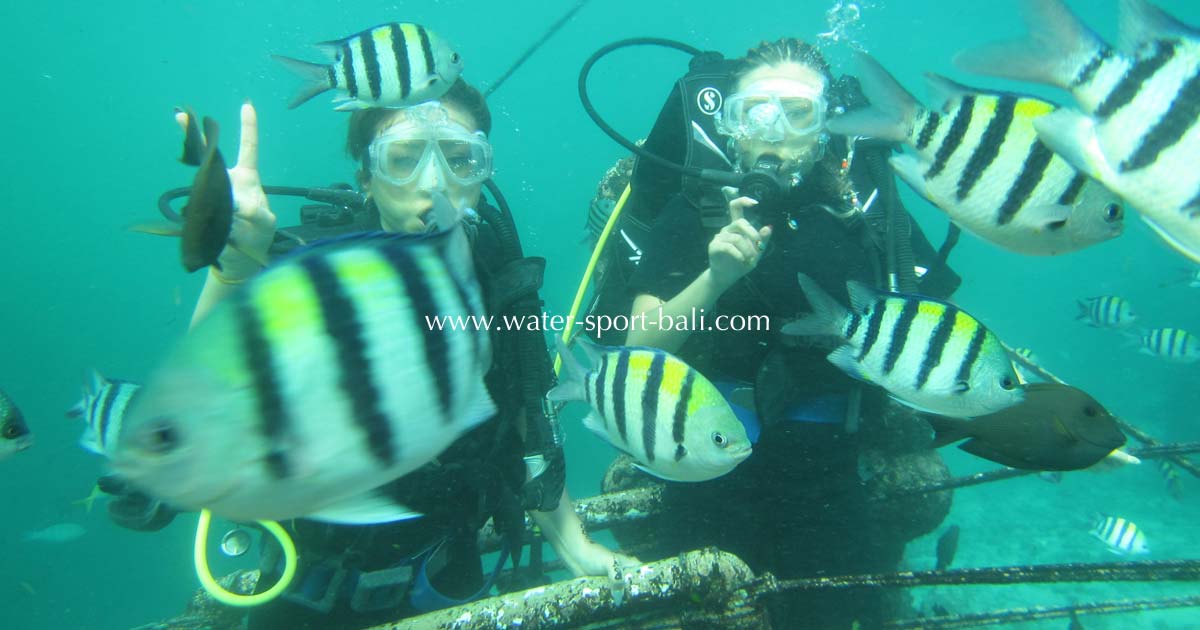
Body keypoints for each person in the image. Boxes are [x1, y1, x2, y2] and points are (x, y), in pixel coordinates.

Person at [116, 78, 636, 629]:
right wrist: (235, 267)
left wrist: (577, 549)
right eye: (403, 159)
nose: (433, 184)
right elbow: (184, 426)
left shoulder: (502, 286)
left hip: (450, 579)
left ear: (483, 175)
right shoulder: (308, 277)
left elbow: (529, 435)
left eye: (461, 159)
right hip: (309, 591)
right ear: (366, 175)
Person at [603, 38, 959, 627]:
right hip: (710, 453)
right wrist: (714, 278)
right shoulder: (697, 210)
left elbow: (927, 329)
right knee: (701, 610)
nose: (775, 133)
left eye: (799, 114)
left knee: (830, 611)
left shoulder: (863, 211)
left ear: (826, 130)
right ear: (731, 125)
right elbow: (639, 346)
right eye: (756, 113)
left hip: (830, 463)